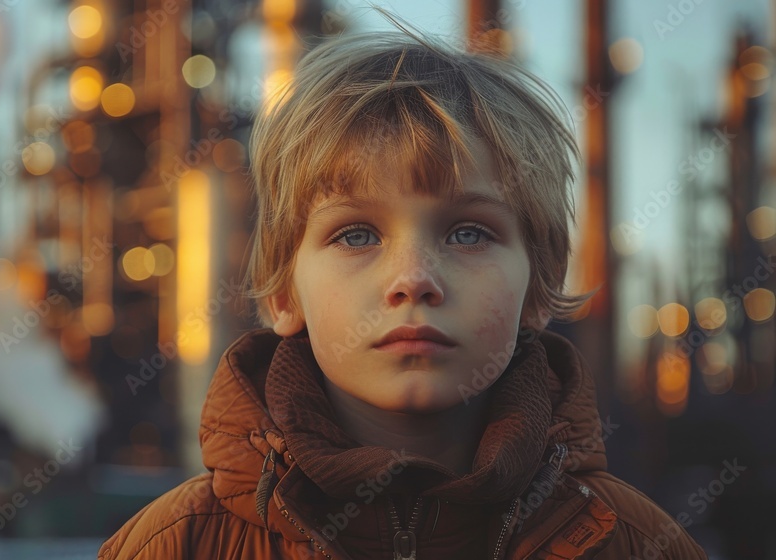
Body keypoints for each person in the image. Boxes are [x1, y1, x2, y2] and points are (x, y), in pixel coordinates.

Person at [99, 11, 707, 560]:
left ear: (540, 286)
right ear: (283, 293)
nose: (413, 280)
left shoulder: (628, 540)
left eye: (468, 234)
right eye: (357, 235)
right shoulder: (176, 543)